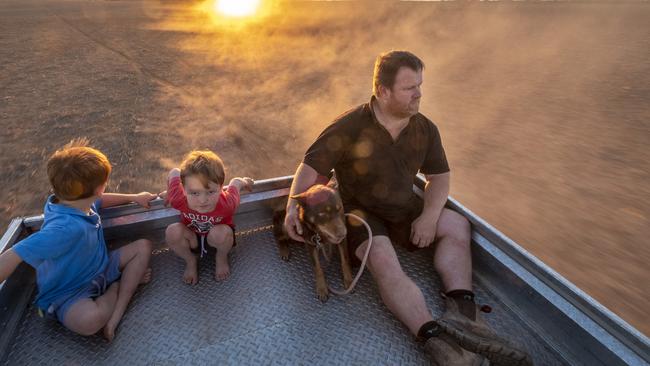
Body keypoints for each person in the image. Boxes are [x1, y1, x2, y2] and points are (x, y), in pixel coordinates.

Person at [284, 51, 530, 365]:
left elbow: (439, 177)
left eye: (420, 85)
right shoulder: (348, 126)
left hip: (405, 207)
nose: (419, 94)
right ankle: (438, 342)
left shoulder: (424, 128)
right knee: (384, 259)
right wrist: (294, 205)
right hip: (361, 215)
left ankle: (464, 314)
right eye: (409, 88)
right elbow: (311, 168)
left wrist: (428, 217)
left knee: (457, 225)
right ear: (382, 91)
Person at [0, 139, 155, 342]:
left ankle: (115, 306)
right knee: (90, 321)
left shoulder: (71, 200)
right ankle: (116, 292)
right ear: (100, 186)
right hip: (70, 293)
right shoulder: (62, 230)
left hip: (100, 268)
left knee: (143, 246)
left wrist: (133, 197)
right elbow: (15, 253)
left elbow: (100, 200)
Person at [161, 150, 253, 284]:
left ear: (221, 187)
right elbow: (174, 172)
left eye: (210, 192)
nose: (203, 200)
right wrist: (170, 191)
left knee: (221, 233)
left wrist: (243, 181)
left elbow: (235, 183)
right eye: (194, 193)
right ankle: (191, 261)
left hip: (217, 238)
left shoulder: (227, 203)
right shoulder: (177, 198)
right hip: (192, 237)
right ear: (183, 188)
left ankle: (221, 258)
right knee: (172, 231)